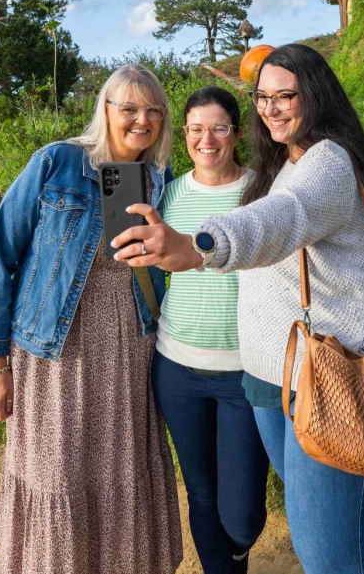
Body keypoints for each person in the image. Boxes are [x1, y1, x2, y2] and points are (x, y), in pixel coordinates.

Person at [111, 43, 364, 574]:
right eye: (263, 98)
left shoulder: (327, 161)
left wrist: (197, 246)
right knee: (335, 549)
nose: (271, 109)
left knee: (329, 560)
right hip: (276, 375)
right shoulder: (286, 163)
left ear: (314, 95)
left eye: (285, 96)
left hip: (329, 375)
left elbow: (282, 217)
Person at [0, 63, 184, 574]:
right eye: (129, 108)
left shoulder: (159, 179)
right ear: (106, 110)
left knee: (121, 472)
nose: (142, 119)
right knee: (55, 473)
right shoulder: (57, 163)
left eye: (153, 110)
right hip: (54, 349)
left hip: (130, 348)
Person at [152, 85, 269, 574]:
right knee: (200, 495)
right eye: (196, 129)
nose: (207, 139)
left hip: (246, 372)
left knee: (241, 515)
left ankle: (238, 549)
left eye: (219, 128)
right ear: (183, 134)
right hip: (178, 369)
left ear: (237, 133)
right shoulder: (168, 194)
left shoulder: (263, 191)